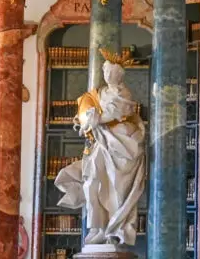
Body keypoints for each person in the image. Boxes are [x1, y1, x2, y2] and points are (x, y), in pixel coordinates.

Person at [55, 58, 148, 244]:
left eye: (111, 73)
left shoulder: (123, 93)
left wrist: (96, 119)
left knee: (117, 188)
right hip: (101, 142)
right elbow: (87, 117)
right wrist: (90, 120)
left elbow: (114, 113)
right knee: (91, 183)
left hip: (121, 144)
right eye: (105, 72)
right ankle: (97, 226)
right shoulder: (97, 94)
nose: (107, 76)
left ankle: (115, 227)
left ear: (119, 75)